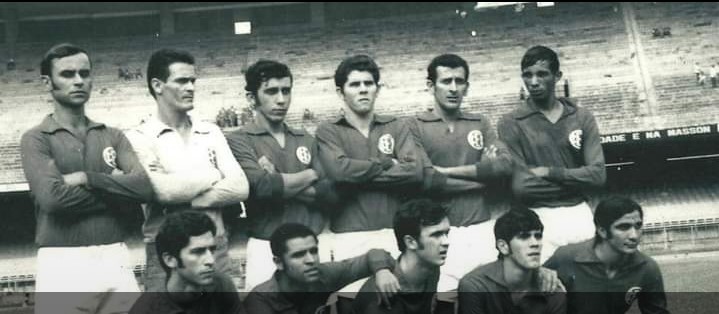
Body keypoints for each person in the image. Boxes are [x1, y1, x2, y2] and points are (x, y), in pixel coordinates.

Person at [20, 43, 154, 313]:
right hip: (62, 261)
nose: (79, 80)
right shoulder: (36, 138)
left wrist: (88, 178)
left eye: (85, 73)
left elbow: (144, 188)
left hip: (115, 254)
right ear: (48, 82)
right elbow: (52, 199)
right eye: (68, 74)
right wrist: (118, 191)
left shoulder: (113, 135)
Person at [125, 48, 249, 291]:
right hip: (166, 252)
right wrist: (214, 174)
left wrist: (185, 200)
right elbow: (163, 192)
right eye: (182, 81)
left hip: (214, 247)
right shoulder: (139, 137)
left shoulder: (211, 131)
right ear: (158, 85)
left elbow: (241, 187)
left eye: (193, 81)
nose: (191, 87)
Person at [315, 54, 422, 300]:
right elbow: (339, 173)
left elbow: (414, 172)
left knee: (398, 304)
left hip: (393, 233)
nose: (363, 89)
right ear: (341, 92)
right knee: (353, 304)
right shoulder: (328, 130)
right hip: (348, 237)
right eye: (354, 84)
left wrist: (356, 175)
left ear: (377, 88)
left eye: (368, 83)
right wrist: (386, 163)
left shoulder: (396, 126)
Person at [408, 54, 513, 298]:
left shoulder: (480, 123)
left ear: (467, 86)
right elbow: (427, 179)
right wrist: (483, 179)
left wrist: (446, 172)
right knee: (446, 301)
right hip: (441, 233)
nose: (454, 88)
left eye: (459, 81)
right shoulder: (414, 126)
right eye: (446, 81)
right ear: (431, 86)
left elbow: (505, 167)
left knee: (492, 300)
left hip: (482, 227)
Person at [227, 60, 337, 291]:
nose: (281, 99)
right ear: (251, 98)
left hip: (311, 247)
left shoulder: (305, 137)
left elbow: (330, 193)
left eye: (286, 91)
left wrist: (279, 179)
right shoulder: (239, 139)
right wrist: (311, 174)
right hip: (266, 247)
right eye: (271, 91)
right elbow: (262, 188)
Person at [497, 45, 606, 261]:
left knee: (588, 290)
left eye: (542, 74)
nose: (534, 82)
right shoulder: (510, 122)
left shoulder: (582, 117)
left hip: (579, 215)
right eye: (527, 75)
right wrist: (576, 179)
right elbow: (522, 187)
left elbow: (597, 176)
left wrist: (549, 172)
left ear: (557, 76)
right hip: (535, 220)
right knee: (546, 291)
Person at [544, 196, 669, 314]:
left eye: (638, 226)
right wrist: (540, 273)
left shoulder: (647, 268)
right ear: (602, 231)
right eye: (624, 227)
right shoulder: (566, 257)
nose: (634, 236)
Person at [244, 223, 400, 314]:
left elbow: (374, 255)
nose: (311, 260)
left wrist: (382, 271)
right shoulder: (259, 301)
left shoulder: (323, 274)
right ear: (278, 262)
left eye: (313, 251)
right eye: (299, 255)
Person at [129, 211, 244, 314]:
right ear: (170, 260)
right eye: (198, 252)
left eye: (212, 250)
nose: (211, 260)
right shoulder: (147, 309)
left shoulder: (221, 285)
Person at [458, 208, 565, 314]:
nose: (535, 243)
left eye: (538, 236)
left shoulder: (551, 289)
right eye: (524, 237)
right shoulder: (475, 286)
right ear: (503, 246)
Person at [353, 199, 450, 314]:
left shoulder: (431, 268)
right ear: (410, 242)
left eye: (446, 233)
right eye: (436, 235)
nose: (446, 242)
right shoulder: (380, 299)